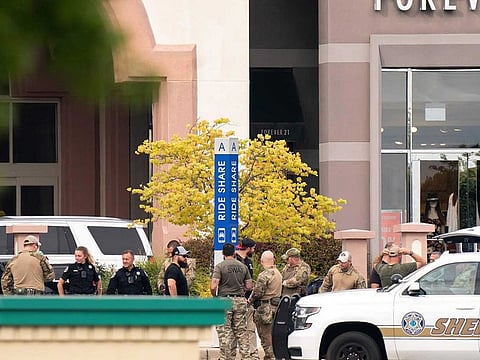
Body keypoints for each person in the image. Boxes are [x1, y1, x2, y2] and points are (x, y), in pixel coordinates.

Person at [210, 243, 259, 360]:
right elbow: (249, 285)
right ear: (234, 253)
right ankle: (246, 356)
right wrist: (241, 291)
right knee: (241, 331)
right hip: (240, 300)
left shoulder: (220, 266)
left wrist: (215, 296)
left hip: (224, 300)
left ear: (223, 253)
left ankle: (225, 357)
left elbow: (213, 285)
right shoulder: (243, 267)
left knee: (224, 331)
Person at [249, 250, 282, 360]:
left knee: (265, 335)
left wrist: (250, 300)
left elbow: (258, 292)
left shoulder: (264, 275)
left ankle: (270, 356)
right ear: (273, 260)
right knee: (272, 334)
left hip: (264, 309)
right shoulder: (278, 273)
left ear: (262, 261)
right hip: (275, 307)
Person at [235, 237, 257, 357]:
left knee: (250, 328)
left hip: (248, 301)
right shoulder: (234, 260)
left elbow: (250, 281)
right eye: (253, 248)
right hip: (238, 300)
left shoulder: (249, 261)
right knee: (237, 328)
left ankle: (252, 353)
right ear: (248, 248)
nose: (253, 250)